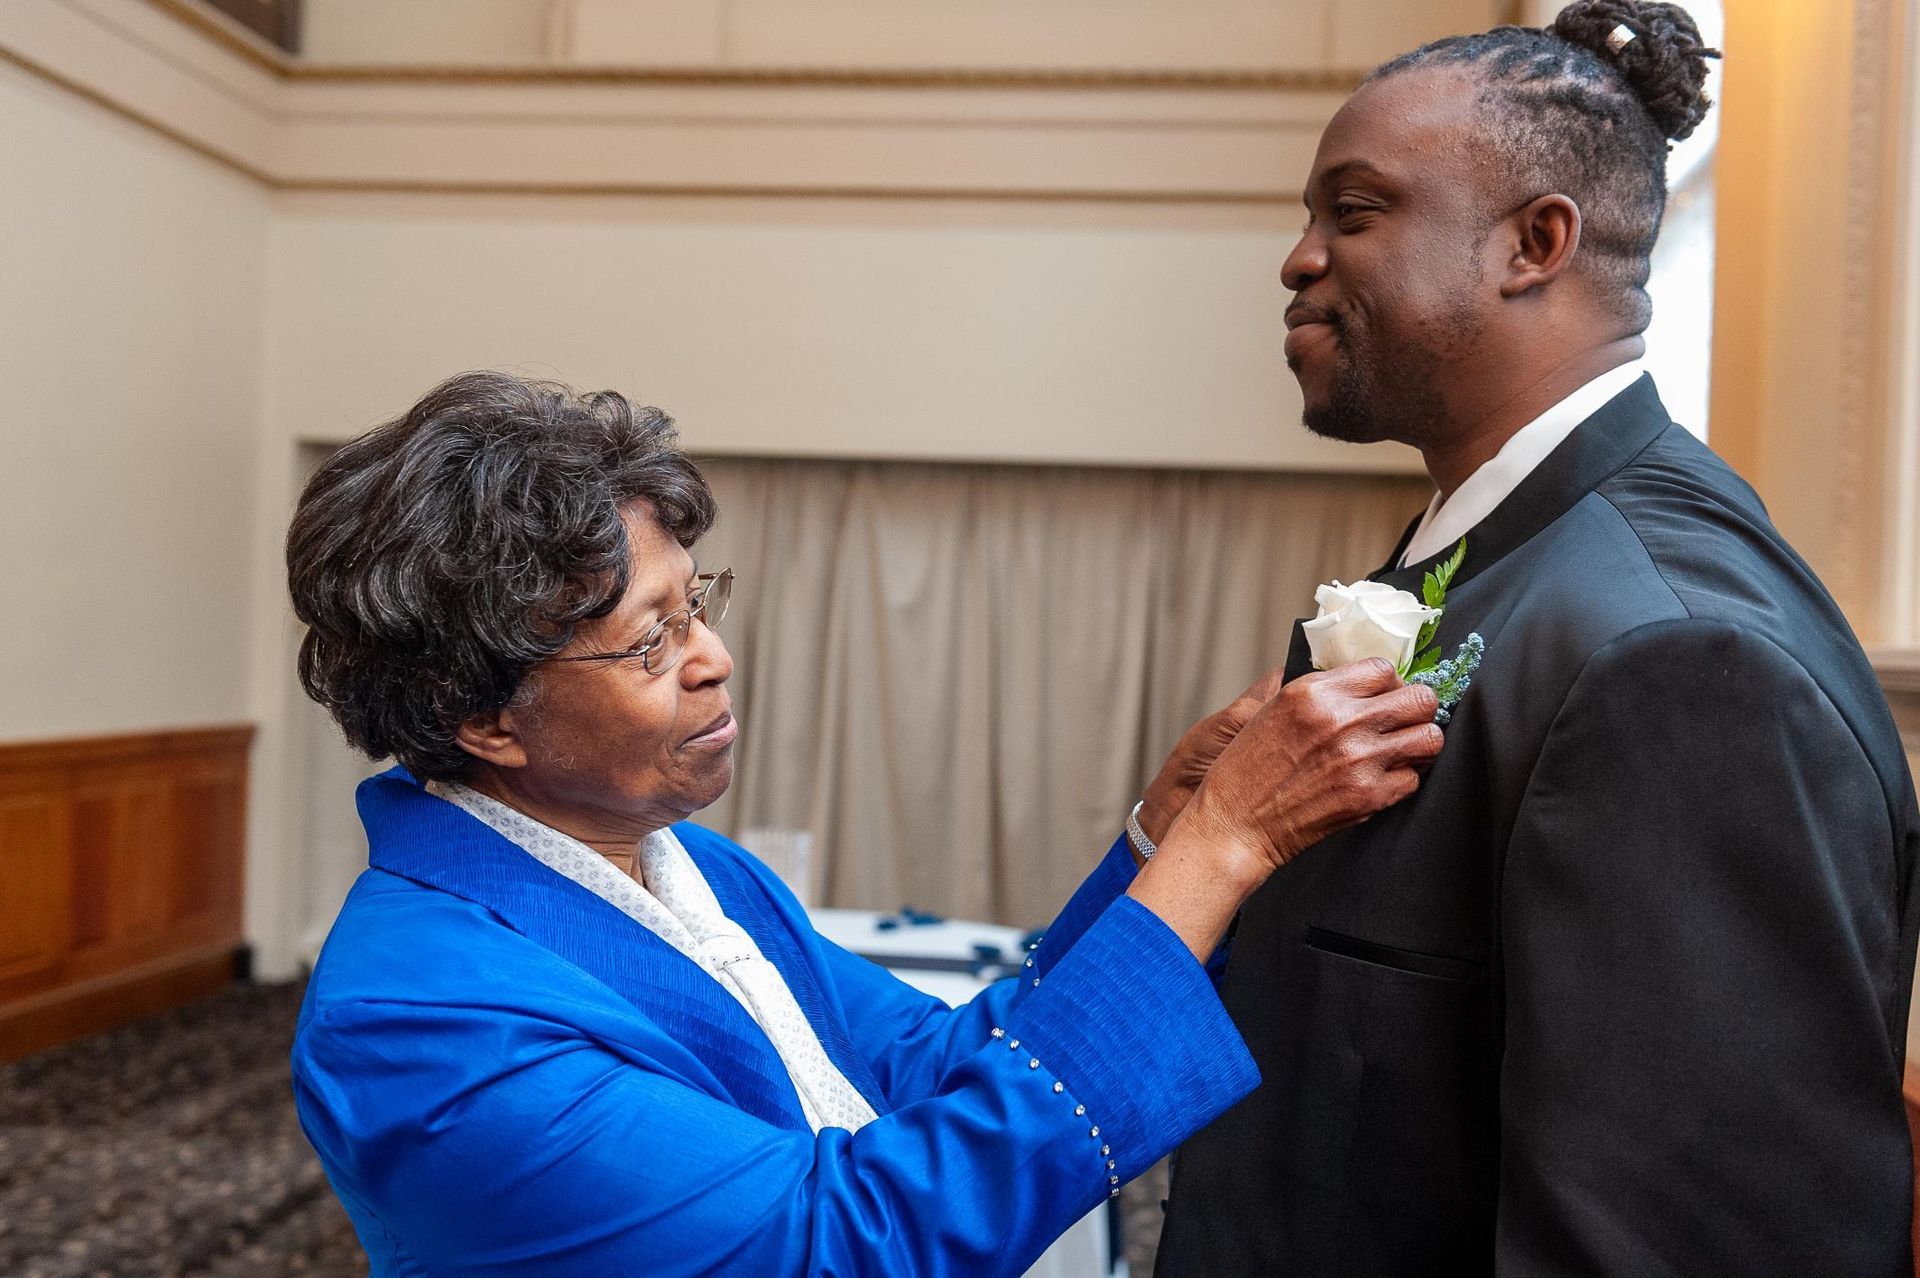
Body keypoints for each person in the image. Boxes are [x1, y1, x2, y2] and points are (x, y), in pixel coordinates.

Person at [284, 370, 1444, 1277]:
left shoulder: (698, 870)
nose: (713, 658)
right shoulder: (418, 1019)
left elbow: (936, 1068)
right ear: (481, 718)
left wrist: (1163, 837)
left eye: (697, 604)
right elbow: (845, 1245)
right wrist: (1223, 848)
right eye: (650, 640)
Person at [1154, 2, 1920, 1274]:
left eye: (1354, 211)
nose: (1298, 259)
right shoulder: (1489, 560)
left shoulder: (1677, 660)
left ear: (1535, 243)